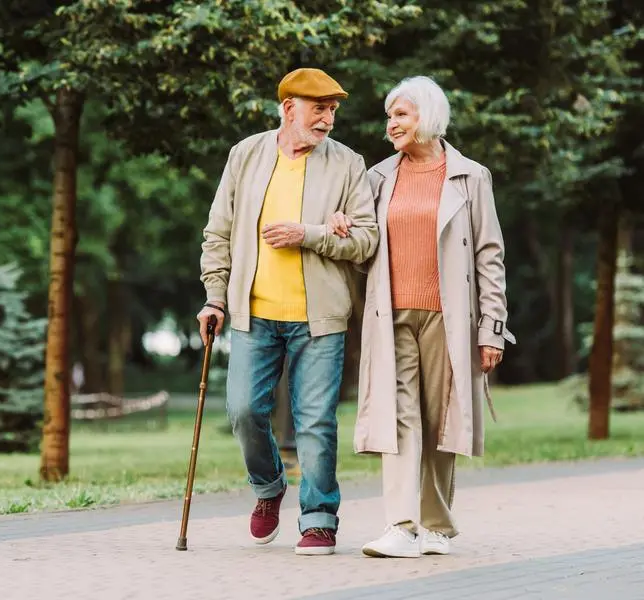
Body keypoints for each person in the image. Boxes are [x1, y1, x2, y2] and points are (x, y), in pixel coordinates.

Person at [328, 75, 515, 558]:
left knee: (441, 419)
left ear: (427, 117)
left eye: (401, 115)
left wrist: (491, 328)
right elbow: (363, 246)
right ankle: (400, 525)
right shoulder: (377, 177)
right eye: (390, 116)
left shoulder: (471, 176)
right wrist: (341, 226)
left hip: (449, 318)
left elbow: (489, 257)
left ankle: (437, 527)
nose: (391, 124)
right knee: (400, 416)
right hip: (390, 314)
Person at [197, 68, 379, 556]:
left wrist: (311, 234)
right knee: (243, 411)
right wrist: (216, 296)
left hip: (319, 319)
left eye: (333, 110)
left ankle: (319, 518)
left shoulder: (347, 164)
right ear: (288, 108)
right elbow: (218, 234)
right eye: (319, 108)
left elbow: (366, 241)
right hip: (253, 316)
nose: (328, 119)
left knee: (316, 420)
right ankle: (269, 486)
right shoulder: (247, 155)